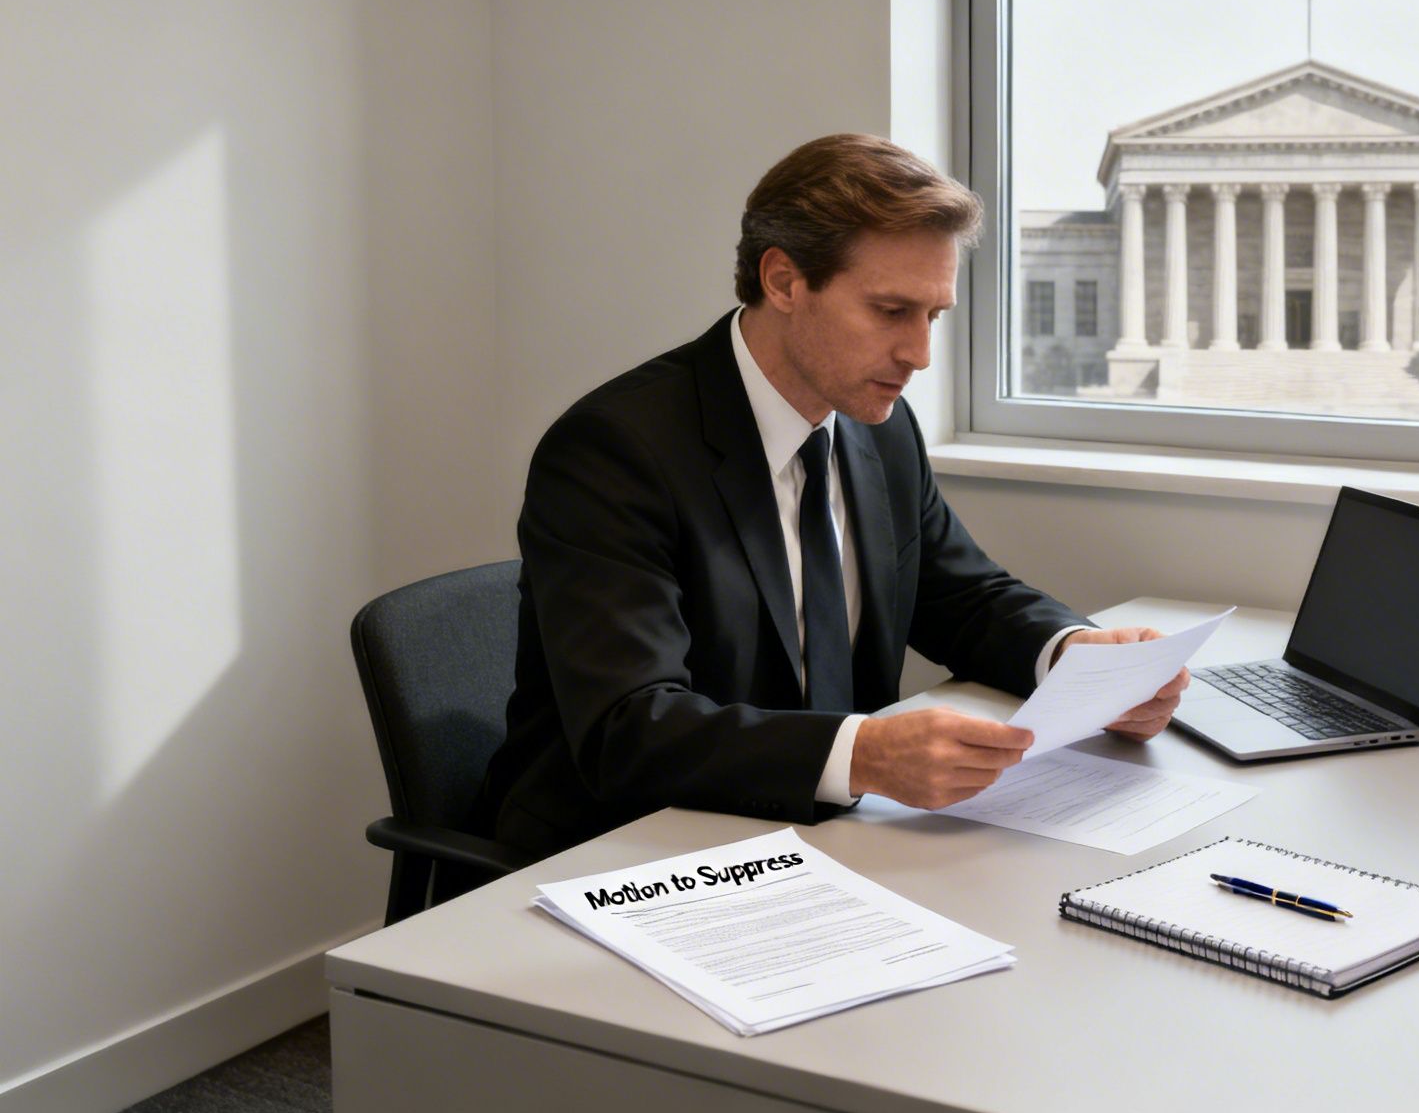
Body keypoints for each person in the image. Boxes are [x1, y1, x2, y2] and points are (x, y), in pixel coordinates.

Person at [478, 133, 1187, 860]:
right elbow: (630, 729)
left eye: (933, 315)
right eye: (890, 311)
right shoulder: (616, 450)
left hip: (820, 840)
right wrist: (866, 755)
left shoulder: (876, 425)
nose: (919, 353)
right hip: (624, 849)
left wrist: (1075, 656)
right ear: (784, 282)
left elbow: (964, 598)